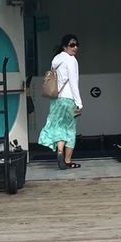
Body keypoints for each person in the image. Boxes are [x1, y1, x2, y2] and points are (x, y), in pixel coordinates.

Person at [40, 34, 82, 169]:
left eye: (76, 45)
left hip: (56, 99)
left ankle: (59, 151)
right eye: (72, 45)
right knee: (70, 129)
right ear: (65, 47)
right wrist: (79, 103)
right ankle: (68, 160)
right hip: (69, 99)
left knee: (59, 127)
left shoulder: (56, 59)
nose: (75, 47)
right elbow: (73, 83)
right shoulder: (71, 60)